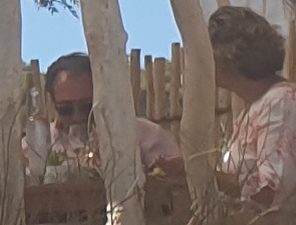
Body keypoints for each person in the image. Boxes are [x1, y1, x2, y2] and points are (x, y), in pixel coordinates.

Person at [205, 4, 296, 213]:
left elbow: (272, 188)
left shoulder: (281, 103)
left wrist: (202, 176)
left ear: (228, 56)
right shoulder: (256, 108)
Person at [30, 50, 184, 181]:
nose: (78, 117)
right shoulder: (38, 144)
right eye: (66, 109)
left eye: (88, 107)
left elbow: (176, 186)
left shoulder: (144, 135)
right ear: (52, 102)